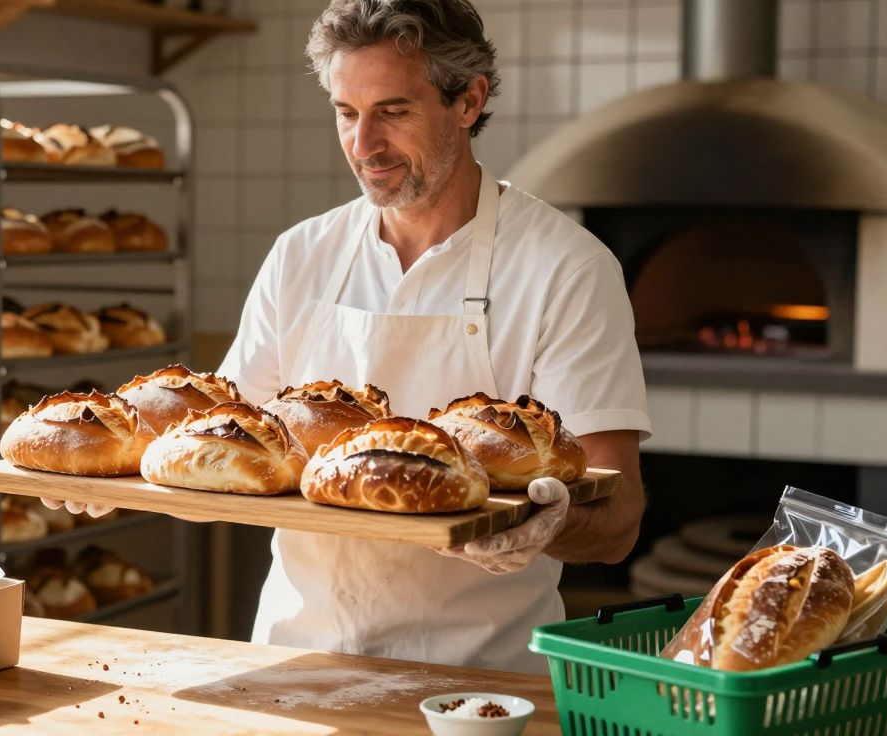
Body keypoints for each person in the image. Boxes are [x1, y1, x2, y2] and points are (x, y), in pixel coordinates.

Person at [49, 0, 649, 674]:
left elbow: (620, 514)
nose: (364, 146)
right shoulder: (301, 254)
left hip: (478, 678)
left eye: (392, 111)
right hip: (297, 659)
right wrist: (110, 478)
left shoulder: (566, 267)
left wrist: (546, 526)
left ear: (468, 101)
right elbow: (223, 464)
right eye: (345, 112)